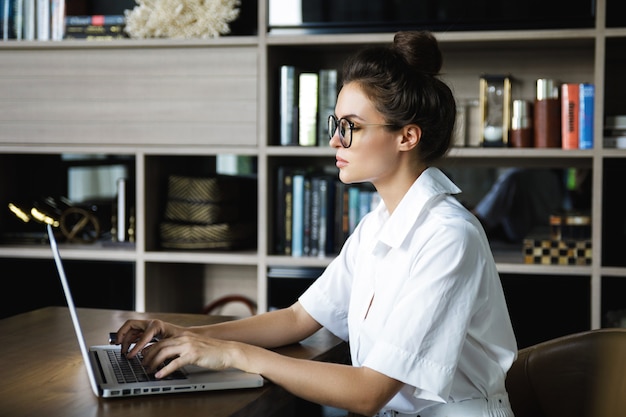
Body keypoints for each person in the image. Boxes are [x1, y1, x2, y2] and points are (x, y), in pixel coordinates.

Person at [114, 31, 518, 417]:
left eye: (352, 127)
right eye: (336, 124)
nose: (335, 142)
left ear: (407, 137)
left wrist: (235, 355)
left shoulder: (449, 236)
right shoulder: (378, 224)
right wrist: (182, 334)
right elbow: (297, 318)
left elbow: (368, 392)